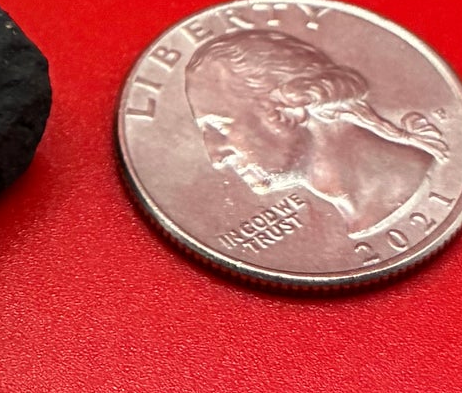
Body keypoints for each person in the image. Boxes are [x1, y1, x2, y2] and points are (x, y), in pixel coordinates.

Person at [184, 25, 445, 237]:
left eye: (220, 126)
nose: (216, 157)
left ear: (291, 109)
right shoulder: (362, 215)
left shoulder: (405, 180)